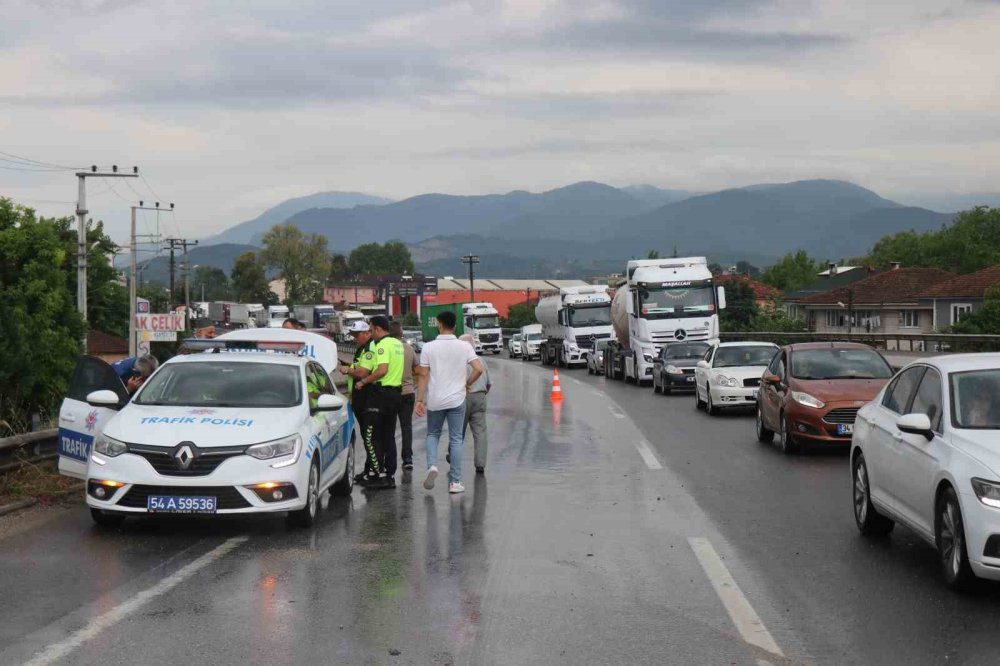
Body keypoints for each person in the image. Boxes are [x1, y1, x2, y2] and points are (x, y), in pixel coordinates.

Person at [415, 310, 484, 494]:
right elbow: (478, 369)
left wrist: (419, 400)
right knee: (456, 439)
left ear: (439, 324)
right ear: (454, 326)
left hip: (435, 399)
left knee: (432, 434)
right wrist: (467, 383)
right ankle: (455, 482)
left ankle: (431, 466)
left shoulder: (428, 347)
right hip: (457, 399)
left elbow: (423, 375)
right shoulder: (464, 346)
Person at [355, 316, 405, 489]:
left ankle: (378, 474)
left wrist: (364, 381)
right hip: (395, 393)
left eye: (371, 329)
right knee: (388, 436)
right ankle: (389, 475)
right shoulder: (397, 344)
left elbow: (382, 370)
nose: (370, 333)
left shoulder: (382, 344)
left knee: (370, 436)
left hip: (381, 394)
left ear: (377, 329)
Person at [338, 320, 379, 485]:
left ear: (368, 333)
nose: (355, 338)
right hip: (360, 398)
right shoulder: (362, 348)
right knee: (367, 437)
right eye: (353, 335)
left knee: (370, 438)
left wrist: (348, 370)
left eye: (358, 334)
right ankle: (370, 470)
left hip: (367, 399)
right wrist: (350, 366)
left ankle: (374, 472)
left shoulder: (369, 348)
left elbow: (363, 372)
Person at [390, 321, 420, 470]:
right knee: (406, 427)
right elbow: (418, 369)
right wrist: (413, 381)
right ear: (401, 334)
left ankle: (389, 459)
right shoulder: (409, 349)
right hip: (408, 393)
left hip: (390, 393)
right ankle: (407, 458)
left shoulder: (386, 349)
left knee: (389, 428)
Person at [459, 334, 491, 475]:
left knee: (458, 430)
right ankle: (480, 464)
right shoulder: (481, 360)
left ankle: (452, 456)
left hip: (462, 397)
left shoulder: (458, 360)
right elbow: (489, 383)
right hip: (480, 397)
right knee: (480, 432)